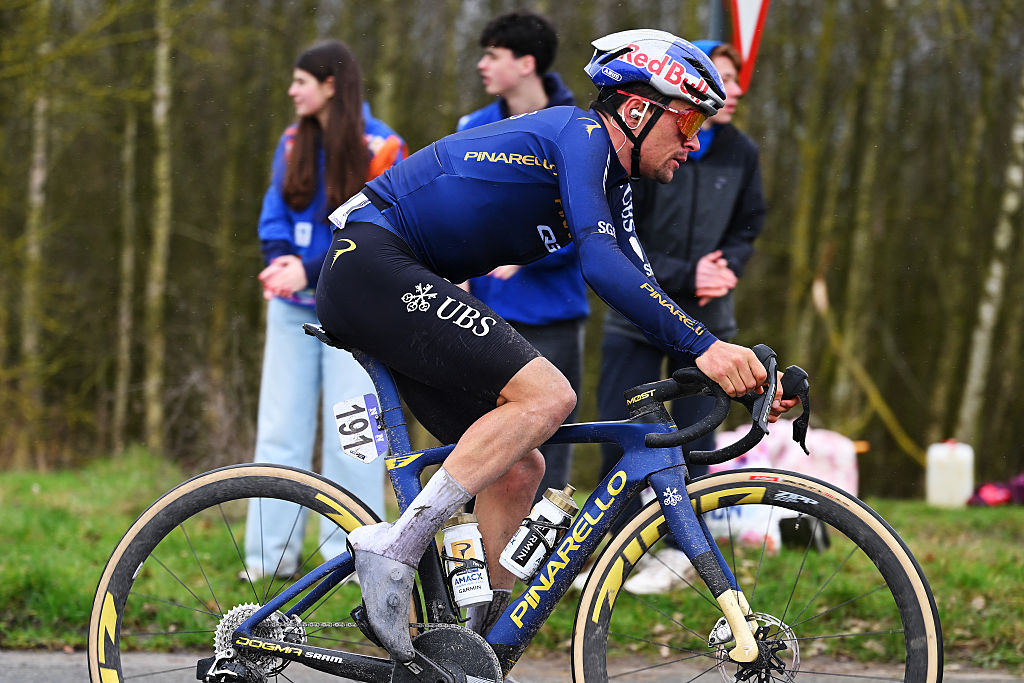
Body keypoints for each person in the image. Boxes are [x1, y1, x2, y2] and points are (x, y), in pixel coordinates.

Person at [316, 29, 795, 661]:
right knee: (548, 396)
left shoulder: (614, 184)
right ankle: (396, 548)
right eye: (684, 124)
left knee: (519, 466)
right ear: (635, 110)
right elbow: (600, 266)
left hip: (396, 273)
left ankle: (470, 651)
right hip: (371, 261)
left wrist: (722, 364)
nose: (695, 141)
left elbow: (638, 284)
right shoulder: (583, 138)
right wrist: (704, 346)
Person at [595, 40, 766, 595]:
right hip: (637, 312)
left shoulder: (742, 151)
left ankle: (679, 553)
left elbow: (750, 220)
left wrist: (728, 268)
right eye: (723, 80)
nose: (733, 90)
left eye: (737, 81)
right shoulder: (642, 147)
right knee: (626, 434)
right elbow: (624, 234)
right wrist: (685, 272)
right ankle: (606, 548)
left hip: (712, 312)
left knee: (695, 436)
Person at [242, 40, 407, 581]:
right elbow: (273, 212)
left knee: (355, 436)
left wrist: (310, 268)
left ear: (330, 84)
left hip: (355, 314)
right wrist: (279, 260)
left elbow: (372, 231)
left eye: (300, 82)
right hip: (290, 312)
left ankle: (354, 558)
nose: (291, 92)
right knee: (279, 433)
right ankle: (268, 563)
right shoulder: (291, 140)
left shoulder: (383, 146)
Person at [458, 10, 587, 501]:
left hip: (553, 315)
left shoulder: (580, 129)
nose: (481, 65)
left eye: (493, 54)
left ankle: (548, 571)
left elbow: (591, 222)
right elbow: (458, 211)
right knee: (481, 441)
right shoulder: (472, 126)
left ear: (527, 62)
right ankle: (471, 563)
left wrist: (527, 255)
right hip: (484, 316)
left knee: (551, 445)